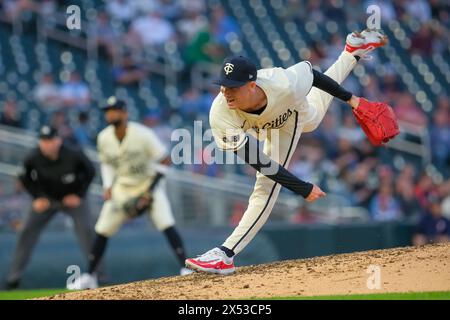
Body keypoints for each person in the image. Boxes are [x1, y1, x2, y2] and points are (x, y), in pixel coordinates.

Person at [186, 29, 389, 274]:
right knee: (312, 117)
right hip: (264, 125)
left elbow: (313, 76)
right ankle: (351, 52)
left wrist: (352, 100)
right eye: (223, 86)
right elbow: (258, 161)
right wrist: (300, 187)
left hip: (287, 117)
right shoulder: (220, 113)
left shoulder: (281, 82)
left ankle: (225, 254)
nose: (226, 92)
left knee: (266, 186)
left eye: (233, 87)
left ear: (252, 85)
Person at [67, 97, 191, 290]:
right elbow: (107, 163)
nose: (110, 114)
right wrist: (108, 186)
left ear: (124, 113)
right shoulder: (104, 137)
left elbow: (166, 160)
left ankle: (186, 267)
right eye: (107, 110)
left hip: (148, 185)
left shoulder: (143, 134)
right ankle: (90, 275)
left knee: (166, 222)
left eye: (114, 110)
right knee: (102, 229)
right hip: (122, 188)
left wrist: (149, 191)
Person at [5, 125, 96, 289]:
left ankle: (98, 276)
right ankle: (13, 279)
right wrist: (37, 197)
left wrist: (79, 195)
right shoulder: (33, 157)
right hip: (47, 200)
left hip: (71, 198)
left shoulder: (73, 153)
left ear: (58, 140)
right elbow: (24, 178)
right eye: (43, 141)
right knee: (26, 231)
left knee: (88, 230)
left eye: (50, 140)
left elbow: (90, 171)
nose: (47, 144)